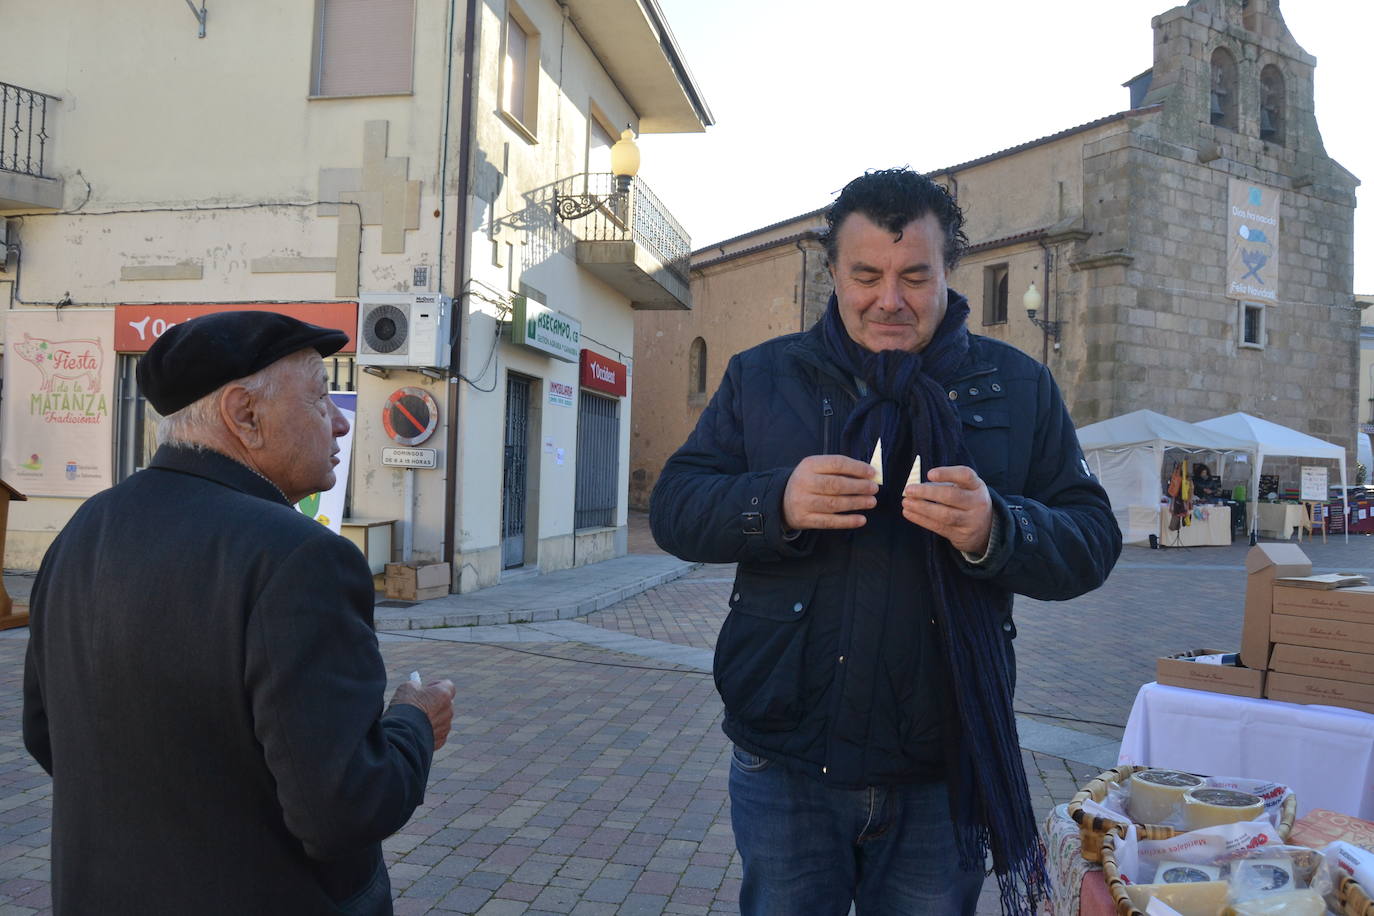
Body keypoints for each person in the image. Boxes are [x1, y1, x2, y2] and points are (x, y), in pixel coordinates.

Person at [650, 168, 1120, 915]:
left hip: (942, 766)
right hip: (787, 760)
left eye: (914, 276)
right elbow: (675, 508)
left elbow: (1093, 540)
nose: (889, 299)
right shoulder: (763, 377)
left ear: (946, 273)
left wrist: (1001, 528)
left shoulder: (1017, 387)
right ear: (834, 272)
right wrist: (772, 500)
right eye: (865, 275)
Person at [22, 311, 457, 915]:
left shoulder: (86, 526)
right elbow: (346, 807)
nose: (338, 423)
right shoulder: (300, 556)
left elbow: (48, 737)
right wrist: (413, 722)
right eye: (320, 397)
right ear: (244, 415)